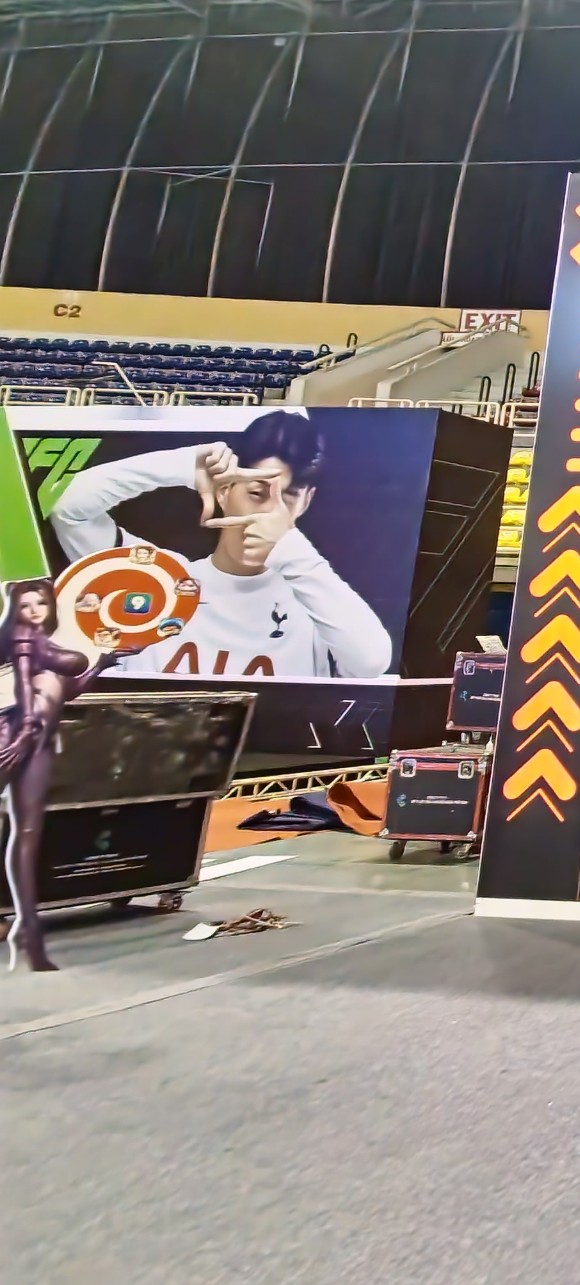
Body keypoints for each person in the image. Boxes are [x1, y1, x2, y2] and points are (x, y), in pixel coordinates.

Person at [48, 411, 392, 680]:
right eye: (257, 493)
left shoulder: (316, 597)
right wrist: (179, 466)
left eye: (288, 498)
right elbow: (68, 509)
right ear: (225, 490)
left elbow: (371, 663)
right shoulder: (159, 577)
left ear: (306, 502)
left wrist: (290, 549)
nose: (269, 513)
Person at [1, 580, 127, 971]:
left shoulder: (44, 641)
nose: (34, 610)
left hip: (37, 743)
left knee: (28, 835)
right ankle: (29, 934)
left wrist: (103, 663)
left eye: (40, 602)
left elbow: (67, 690)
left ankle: (30, 932)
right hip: (16, 737)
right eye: (25, 604)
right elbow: (27, 695)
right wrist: (23, 735)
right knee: (24, 836)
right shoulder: (23, 638)